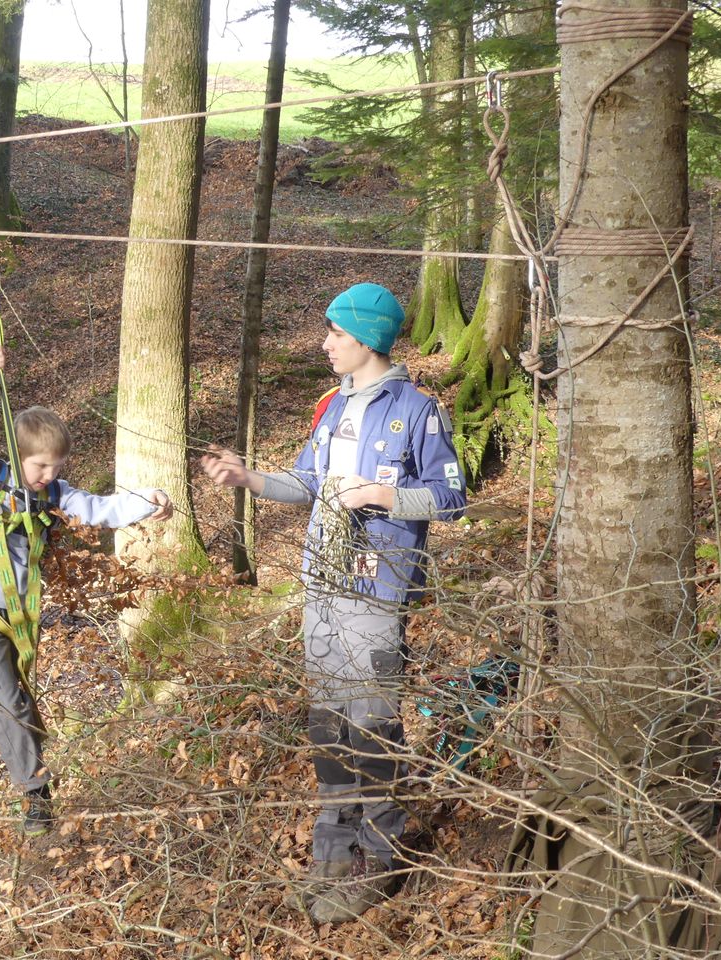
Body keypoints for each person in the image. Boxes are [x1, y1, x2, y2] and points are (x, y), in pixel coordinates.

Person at [201, 283, 466, 923]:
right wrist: (247, 477)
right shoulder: (330, 408)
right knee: (328, 721)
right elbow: (307, 482)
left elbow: (451, 498)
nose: (326, 343)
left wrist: (380, 495)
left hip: (376, 591)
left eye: (337, 333)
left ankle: (380, 854)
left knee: (371, 720)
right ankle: (333, 852)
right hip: (321, 587)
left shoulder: (417, 410)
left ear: (369, 339)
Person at [0, 344, 174, 836]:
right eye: (40, 466)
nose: (49, 476)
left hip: (16, 621)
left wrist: (149, 500)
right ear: (18, 455)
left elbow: (103, 509)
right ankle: (37, 795)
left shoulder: (54, 492)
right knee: (7, 701)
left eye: (56, 467)